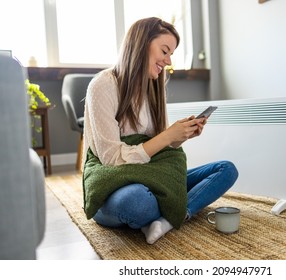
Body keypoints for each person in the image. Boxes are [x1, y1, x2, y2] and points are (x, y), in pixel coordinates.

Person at [82, 17, 239, 245]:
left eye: (171, 55)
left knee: (227, 170)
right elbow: (111, 159)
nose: (167, 61)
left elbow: (157, 146)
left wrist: (180, 136)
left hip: (151, 175)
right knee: (138, 203)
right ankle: (169, 210)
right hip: (113, 182)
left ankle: (165, 220)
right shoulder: (103, 85)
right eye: (165, 51)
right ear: (141, 43)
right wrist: (168, 136)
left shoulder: (153, 88)